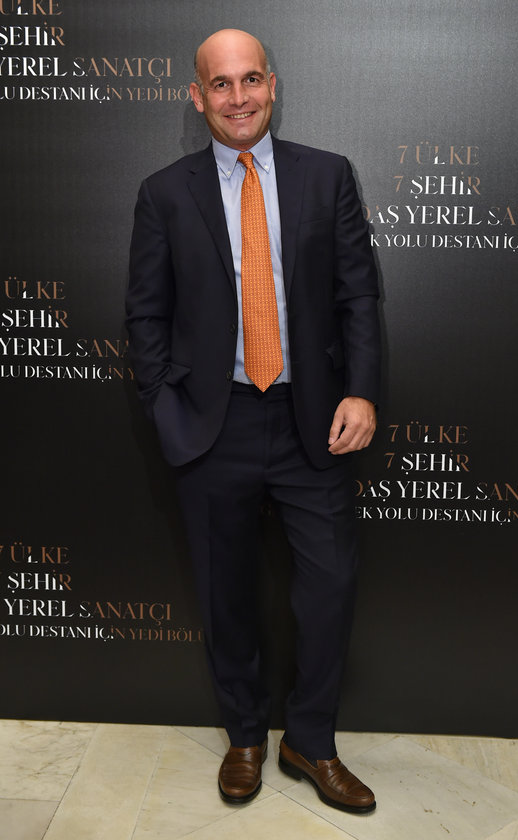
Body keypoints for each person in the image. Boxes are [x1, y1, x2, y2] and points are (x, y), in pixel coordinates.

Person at [126, 28, 381, 814]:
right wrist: (168, 403)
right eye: (220, 83)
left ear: (271, 84)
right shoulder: (164, 193)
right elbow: (146, 314)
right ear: (197, 95)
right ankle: (243, 734)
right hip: (215, 424)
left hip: (313, 419)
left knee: (330, 585)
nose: (237, 98)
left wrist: (361, 391)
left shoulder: (327, 175)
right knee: (225, 593)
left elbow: (357, 294)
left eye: (250, 80)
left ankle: (310, 740)